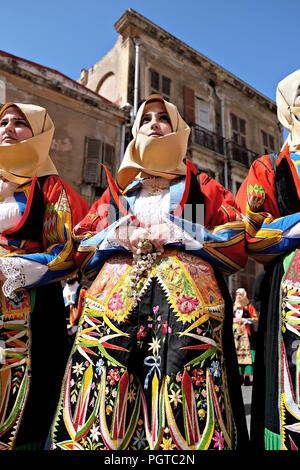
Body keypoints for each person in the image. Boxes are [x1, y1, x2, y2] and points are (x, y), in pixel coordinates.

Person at [48, 95, 249, 451]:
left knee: (185, 399)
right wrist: (116, 235)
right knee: (108, 396)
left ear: (177, 130)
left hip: (185, 313)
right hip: (115, 311)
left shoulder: (201, 189)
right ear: (136, 131)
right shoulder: (119, 195)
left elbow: (234, 239)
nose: (153, 124)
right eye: (146, 119)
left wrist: (179, 234)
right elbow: (81, 241)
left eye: (163, 118)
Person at [0, 102, 89, 450]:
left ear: (38, 134)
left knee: (24, 405)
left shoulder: (49, 188)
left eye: (20, 123)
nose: (7, 127)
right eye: (2, 122)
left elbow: (65, 252)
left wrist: (11, 268)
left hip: (30, 309)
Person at [235, 69, 300, 450]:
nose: (154, 127)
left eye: (163, 120)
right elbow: (247, 233)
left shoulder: (195, 184)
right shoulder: (270, 167)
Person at [233, 288, 258, 386]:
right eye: (236, 294)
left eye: (240, 294)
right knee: (237, 356)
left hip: (246, 335)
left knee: (248, 357)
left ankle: (247, 377)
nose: (238, 296)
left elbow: (255, 319)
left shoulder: (249, 306)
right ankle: (239, 377)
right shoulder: (233, 307)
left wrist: (245, 320)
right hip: (236, 335)